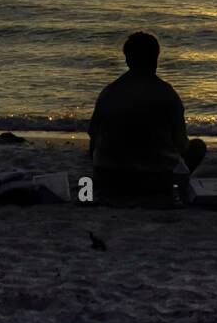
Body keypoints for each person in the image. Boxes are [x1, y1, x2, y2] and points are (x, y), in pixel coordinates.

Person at [88, 32, 205, 198]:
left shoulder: (110, 92)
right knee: (198, 147)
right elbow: (180, 144)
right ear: (156, 59)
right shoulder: (166, 94)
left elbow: (93, 133)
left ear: (127, 59)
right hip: (154, 180)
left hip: (109, 178)